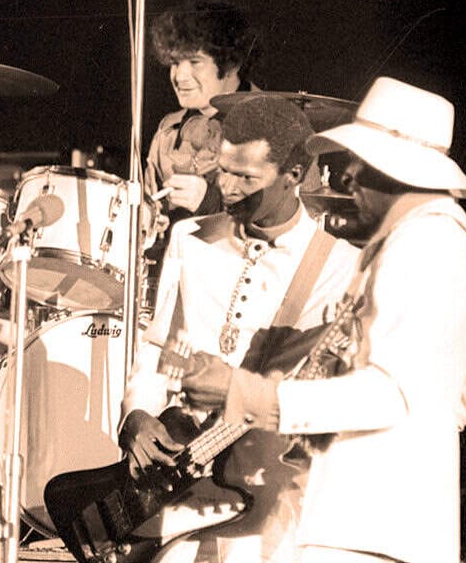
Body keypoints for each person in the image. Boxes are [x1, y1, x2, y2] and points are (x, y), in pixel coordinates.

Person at [182, 77, 466, 563]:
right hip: (360, 525)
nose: (346, 178)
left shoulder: (431, 246)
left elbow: (392, 394)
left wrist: (246, 393)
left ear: (397, 171)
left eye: (359, 164)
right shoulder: (412, 242)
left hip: (378, 528)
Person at [119, 95, 361, 562]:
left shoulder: (341, 267)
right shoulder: (190, 239)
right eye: (223, 171)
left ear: (294, 174)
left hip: (270, 504)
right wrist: (138, 414)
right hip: (182, 489)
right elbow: (159, 348)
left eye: (247, 177)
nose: (227, 189)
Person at [145, 0, 264, 223]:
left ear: (231, 65)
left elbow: (298, 221)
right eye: (174, 63)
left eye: (195, 61)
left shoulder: (276, 126)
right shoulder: (168, 131)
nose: (179, 76)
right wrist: (148, 217)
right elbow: (151, 203)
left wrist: (209, 201)